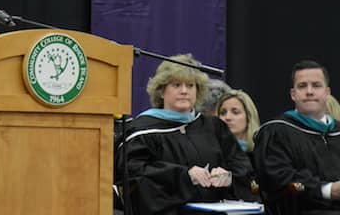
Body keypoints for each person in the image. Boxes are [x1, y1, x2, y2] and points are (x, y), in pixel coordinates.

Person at [115, 54, 256, 214]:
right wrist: (184, 175)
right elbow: (133, 175)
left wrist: (229, 176)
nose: (184, 91)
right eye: (176, 85)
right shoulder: (142, 131)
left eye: (190, 85)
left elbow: (243, 166)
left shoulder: (214, 127)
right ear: (161, 91)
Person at [254, 60, 340, 213]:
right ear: (293, 94)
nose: (309, 91)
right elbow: (277, 179)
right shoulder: (276, 131)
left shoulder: (337, 131)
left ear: (327, 92)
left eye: (316, 85)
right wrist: (327, 190)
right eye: (302, 86)